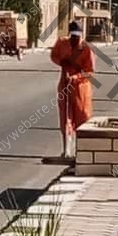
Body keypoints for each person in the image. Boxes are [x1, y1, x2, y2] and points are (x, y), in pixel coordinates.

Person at [50, 21, 95, 158]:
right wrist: (62, 62)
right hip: (65, 84)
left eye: (77, 36)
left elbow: (89, 71)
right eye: (73, 35)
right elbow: (54, 56)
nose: (75, 38)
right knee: (65, 118)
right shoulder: (62, 43)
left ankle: (80, 151)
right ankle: (66, 150)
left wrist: (75, 77)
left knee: (82, 118)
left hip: (81, 88)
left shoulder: (86, 49)